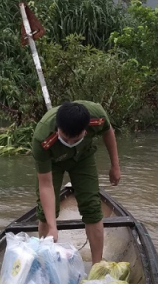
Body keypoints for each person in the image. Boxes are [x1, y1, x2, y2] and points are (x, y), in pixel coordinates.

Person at [32, 101, 121, 264]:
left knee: (92, 208)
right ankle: (46, 263)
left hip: (83, 158)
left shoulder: (97, 117)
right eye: (66, 138)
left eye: (76, 139)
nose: (70, 143)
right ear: (58, 129)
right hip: (54, 162)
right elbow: (45, 185)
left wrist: (115, 166)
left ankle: (97, 266)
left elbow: (108, 132)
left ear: (85, 130)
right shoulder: (42, 138)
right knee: (45, 214)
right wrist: (53, 227)